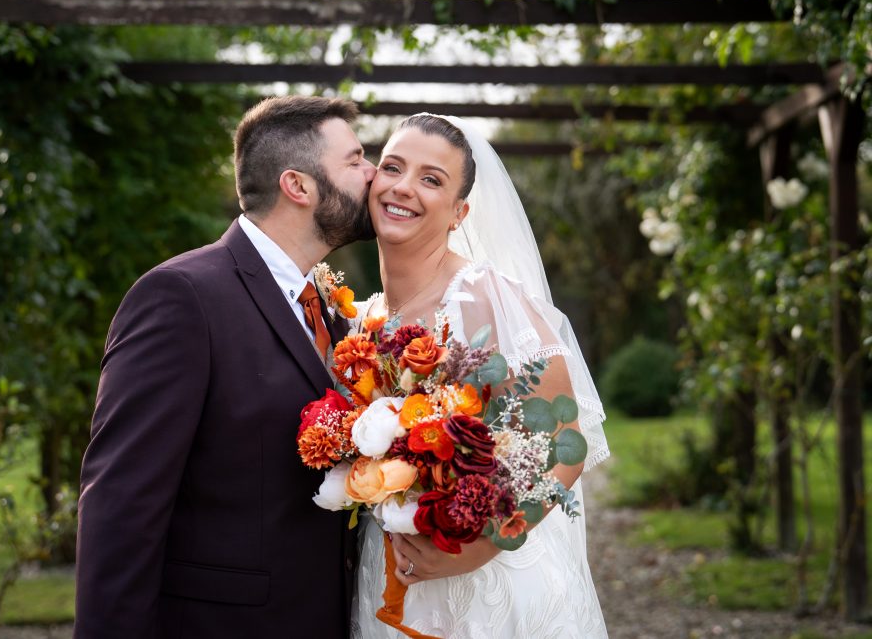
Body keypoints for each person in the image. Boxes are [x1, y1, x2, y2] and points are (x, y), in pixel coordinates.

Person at [75, 95, 377, 638]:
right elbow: (121, 508)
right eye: (355, 160)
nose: (373, 174)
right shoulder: (181, 297)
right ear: (299, 186)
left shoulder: (328, 310)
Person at [352, 114, 610, 638]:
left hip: (487, 584)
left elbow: (567, 443)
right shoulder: (366, 318)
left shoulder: (482, 298)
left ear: (459, 212)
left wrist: (483, 546)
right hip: (390, 573)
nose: (403, 187)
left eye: (431, 179)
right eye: (393, 167)